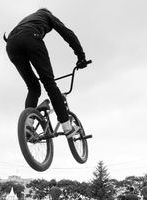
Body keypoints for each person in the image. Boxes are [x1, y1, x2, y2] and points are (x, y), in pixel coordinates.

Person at [5, 8, 89, 138]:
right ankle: (67, 127)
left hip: (11, 45)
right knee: (49, 84)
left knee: (33, 87)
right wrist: (81, 56)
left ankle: (28, 125)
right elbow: (67, 33)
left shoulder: (29, 19)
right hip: (30, 37)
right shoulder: (46, 15)